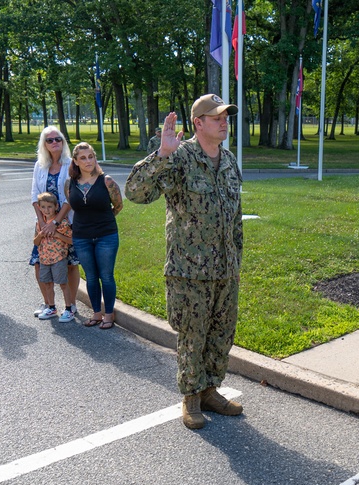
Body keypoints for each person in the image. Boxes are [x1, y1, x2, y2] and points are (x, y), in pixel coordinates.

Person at [125, 94, 243, 430]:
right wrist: (162, 153)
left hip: (225, 270)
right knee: (193, 335)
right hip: (189, 270)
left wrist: (236, 260)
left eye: (226, 116)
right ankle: (191, 397)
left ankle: (210, 390)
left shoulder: (230, 160)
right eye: (216, 116)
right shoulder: (179, 158)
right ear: (198, 123)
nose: (224, 121)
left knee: (222, 334)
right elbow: (135, 192)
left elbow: (235, 219)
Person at [52, 142, 122, 328]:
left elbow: (118, 205)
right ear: (75, 161)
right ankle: (96, 313)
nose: (88, 160)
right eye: (83, 158)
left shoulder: (106, 181)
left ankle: (108, 314)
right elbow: (72, 204)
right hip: (81, 237)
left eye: (90, 156)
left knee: (106, 276)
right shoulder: (70, 184)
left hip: (106, 236)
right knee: (90, 276)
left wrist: (104, 220)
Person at [30, 126, 80, 322]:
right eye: (49, 140)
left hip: (66, 221)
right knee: (38, 263)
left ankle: (72, 305)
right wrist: (43, 222)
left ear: (63, 141)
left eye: (57, 139)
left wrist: (56, 222)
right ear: (44, 144)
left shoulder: (70, 164)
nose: (54, 143)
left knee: (70, 265)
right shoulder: (39, 165)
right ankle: (49, 304)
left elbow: (71, 196)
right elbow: (34, 195)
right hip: (43, 225)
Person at [32, 193, 73, 320]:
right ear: (39, 208)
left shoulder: (62, 223)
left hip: (58, 258)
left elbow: (71, 240)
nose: (46, 210)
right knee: (47, 283)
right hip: (44, 259)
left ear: (56, 206)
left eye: (49, 207)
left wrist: (57, 234)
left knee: (63, 284)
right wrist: (40, 235)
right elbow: (35, 242)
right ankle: (51, 307)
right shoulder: (40, 223)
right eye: (43, 207)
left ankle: (68, 309)